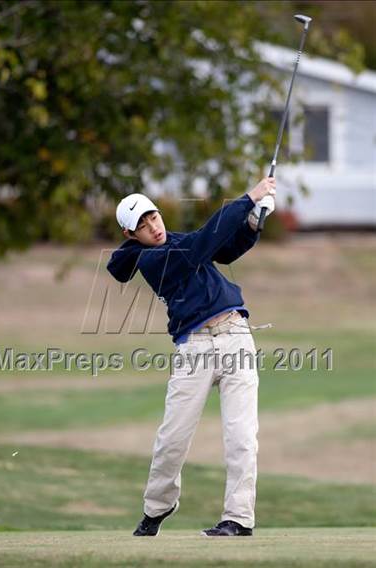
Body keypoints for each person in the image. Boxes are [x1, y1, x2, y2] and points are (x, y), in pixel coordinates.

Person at [107, 177, 276, 537]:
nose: (154, 227)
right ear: (129, 234)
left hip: (235, 336)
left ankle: (238, 518)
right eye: (142, 225)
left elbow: (225, 250)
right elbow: (204, 243)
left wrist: (252, 223)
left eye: (153, 217)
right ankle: (157, 508)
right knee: (172, 438)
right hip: (193, 347)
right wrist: (248, 198)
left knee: (242, 436)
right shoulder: (151, 260)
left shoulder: (176, 240)